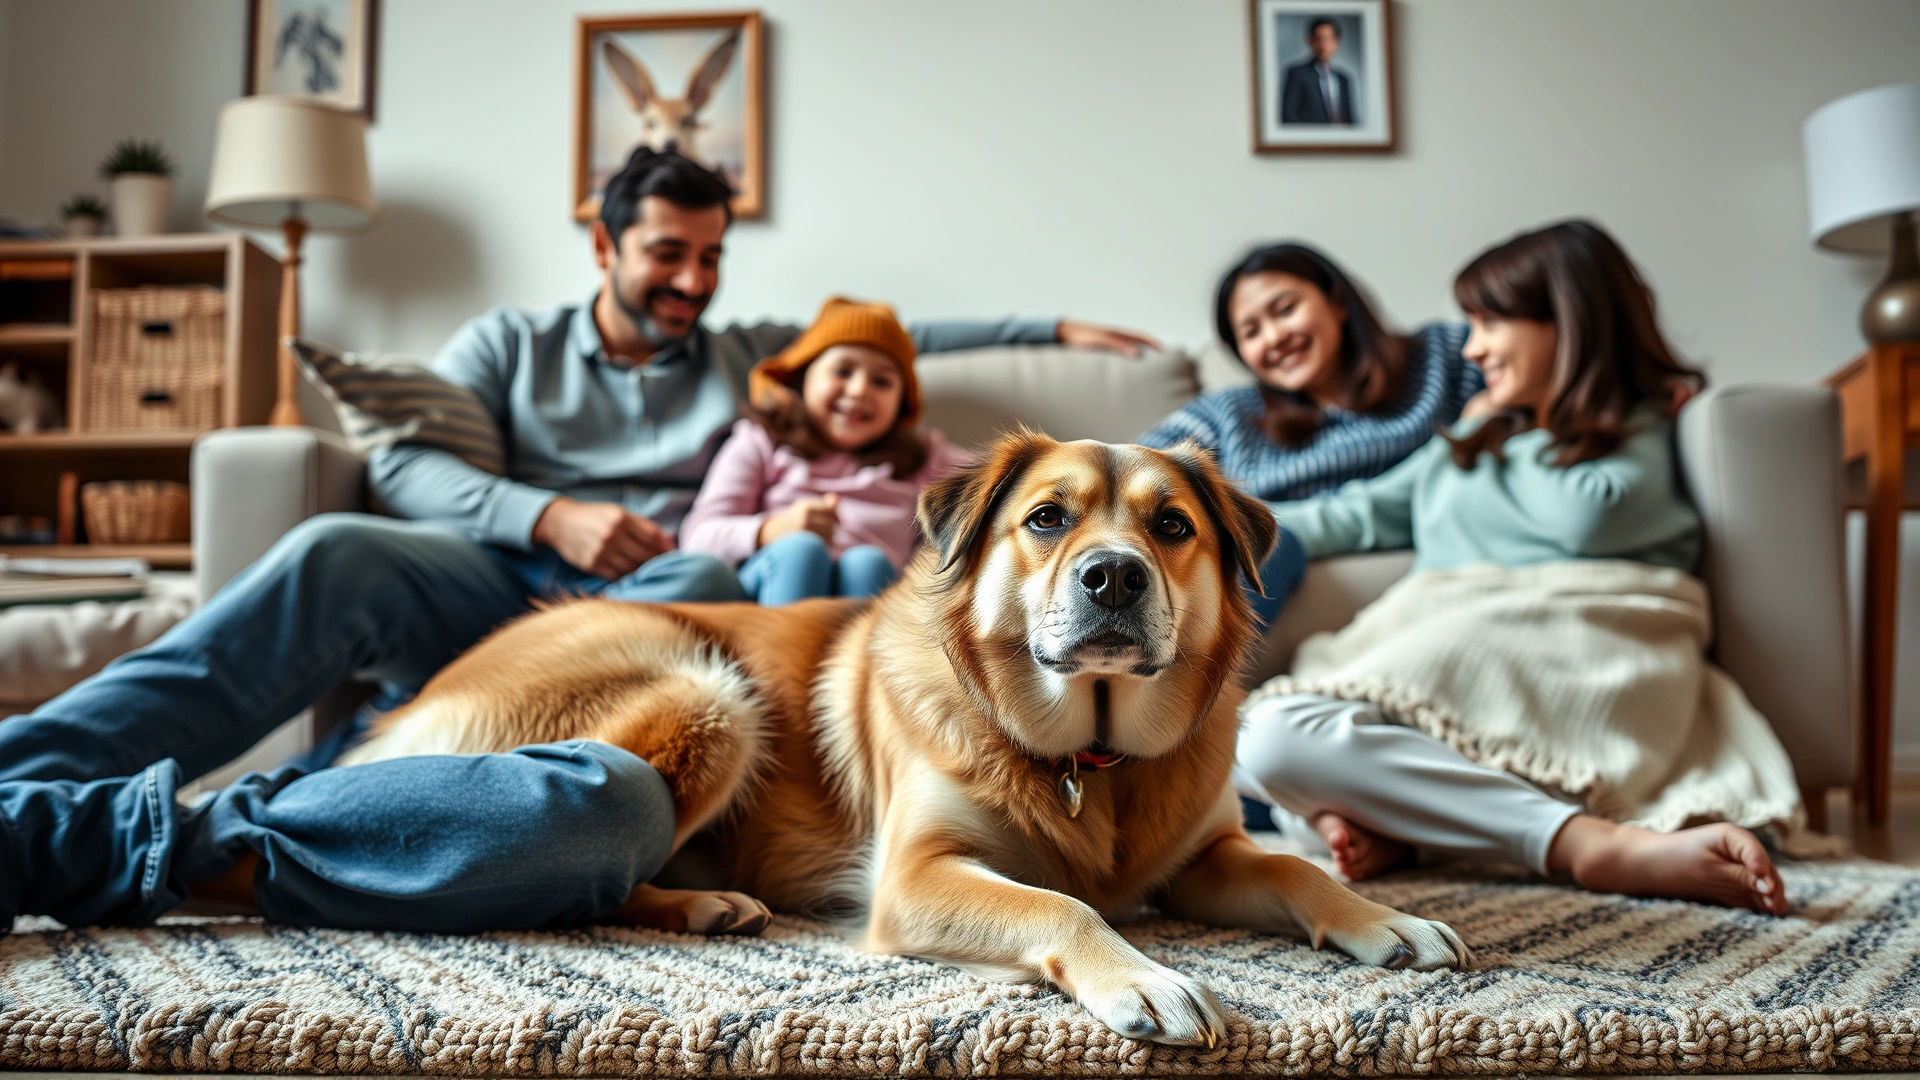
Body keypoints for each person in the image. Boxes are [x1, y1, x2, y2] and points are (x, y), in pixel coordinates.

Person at [0, 147, 1160, 933]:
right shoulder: (511, 342)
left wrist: (1050, 324)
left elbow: (894, 337)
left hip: (662, 608)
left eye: (711, 259)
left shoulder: (740, 352)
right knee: (332, 551)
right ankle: (31, 774)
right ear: (603, 244)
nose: (691, 281)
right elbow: (408, 464)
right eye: (668, 254)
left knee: (706, 574)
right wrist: (543, 514)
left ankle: (323, 811)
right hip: (500, 581)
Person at [1234, 220, 1789, 916]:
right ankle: (1411, 829)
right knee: (1216, 743)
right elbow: (1354, 513)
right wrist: (1214, 529)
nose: (1474, 348)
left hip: (1577, 646)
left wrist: (1494, 432)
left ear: (1568, 322)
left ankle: (1587, 846)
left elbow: (1589, 516)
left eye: (1490, 322)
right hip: (1451, 654)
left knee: (1272, 739)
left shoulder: (1638, 420)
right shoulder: (1472, 438)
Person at [1138, 243, 1481, 624]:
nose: (1273, 337)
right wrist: (1060, 329)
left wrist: (1486, 416)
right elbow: (1132, 471)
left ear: (1337, 301)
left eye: (1285, 310)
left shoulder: (1442, 357)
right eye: (1250, 333)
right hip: (1275, 551)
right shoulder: (1228, 413)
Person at [679, 296, 970, 604]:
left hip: (869, 595)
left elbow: (996, 482)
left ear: (901, 403)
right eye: (842, 372)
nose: (859, 390)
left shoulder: (922, 458)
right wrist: (770, 530)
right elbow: (698, 537)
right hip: (769, 592)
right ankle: (780, 652)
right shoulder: (763, 440)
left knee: (867, 563)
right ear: (804, 377)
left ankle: (850, 654)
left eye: (882, 381)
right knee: (801, 550)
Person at [1280, 18, 1356, 125]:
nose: (1323, 45)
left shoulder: (1343, 79)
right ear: (1310, 41)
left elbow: (1350, 119)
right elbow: (1288, 116)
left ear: (1336, 42)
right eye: (1318, 39)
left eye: (1328, 39)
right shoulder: (1297, 74)